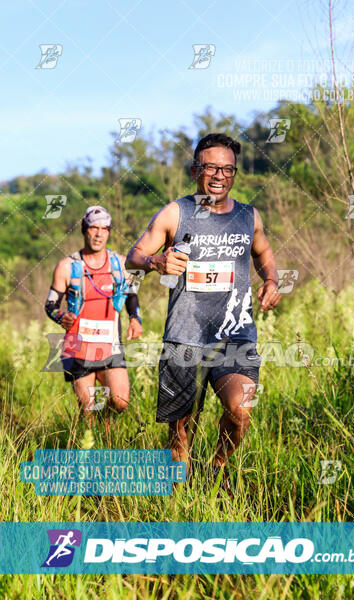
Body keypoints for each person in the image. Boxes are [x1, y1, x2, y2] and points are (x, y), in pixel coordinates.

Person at [126, 133, 281, 495]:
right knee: (180, 436)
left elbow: (264, 252)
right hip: (184, 337)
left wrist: (271, 280)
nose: (219, 175)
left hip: (235, 335)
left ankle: (217, 468)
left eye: (228, 169)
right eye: (211, 166)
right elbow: (134, 255)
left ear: (235, 174)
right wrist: (156, 260)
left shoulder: (248, 215)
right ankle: (181, 501)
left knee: (240, 409)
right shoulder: (174, 212)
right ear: (196, 170)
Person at [45, 206, 143, 426]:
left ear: (109, 232)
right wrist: (61, 316)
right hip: (78, 347)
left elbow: (131, 295)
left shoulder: (119, 263)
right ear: (84, 230)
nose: (99, 234)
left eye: (104, 229)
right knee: (88, 410)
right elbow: (50, 305)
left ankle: (104, 423)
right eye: (93, 228)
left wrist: (135, 319)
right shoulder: (67, 266)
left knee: (120, 401)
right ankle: (92, 442)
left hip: (111, 345)